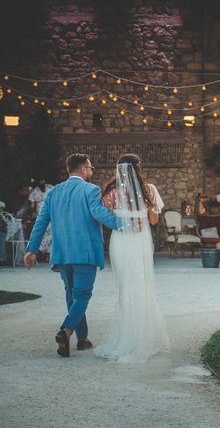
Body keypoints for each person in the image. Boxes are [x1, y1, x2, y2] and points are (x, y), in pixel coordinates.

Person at [24, 154, 122, 358]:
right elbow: (99, 213)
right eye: (91, 168)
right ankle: (66, 330)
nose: (92, 171)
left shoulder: (53, 193)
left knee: (72, 295)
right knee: (83, 295)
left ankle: (83, 339)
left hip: (61, 253)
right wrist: (125, 225)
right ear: (84, 170)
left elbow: (41, 222)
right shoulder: (91, 190)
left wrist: (31, 250)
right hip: (84, 253)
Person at [95, 154, 169, 363]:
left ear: (118, 170)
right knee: (142, 284)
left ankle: (127, 332)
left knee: (124, 286)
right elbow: (153, 221)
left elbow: (103, 216)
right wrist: (147, 211)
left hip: (121, 240)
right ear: (138, 167)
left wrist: (124, 220)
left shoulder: (110, 191)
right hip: (140, 241)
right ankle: (143, 334)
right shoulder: (150, 190)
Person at [28, 180, 53, 261]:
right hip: (48, 214)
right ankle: (46, 255)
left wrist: (33, 214)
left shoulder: (36, 190)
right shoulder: (50, 188)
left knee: (43, 234)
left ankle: (43, 254)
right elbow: (32, 206)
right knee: (48, 235)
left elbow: (32, 206)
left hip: (43, 215)